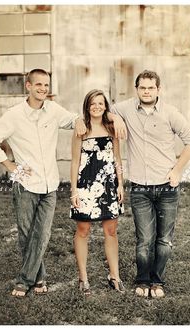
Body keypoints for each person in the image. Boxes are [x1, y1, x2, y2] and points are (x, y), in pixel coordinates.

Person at [0, 68, 88, 297]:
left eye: (46, 85)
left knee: (43, 234)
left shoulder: (52, 110)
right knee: (27, 234)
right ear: (28, 86)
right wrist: (11, 166)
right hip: (25, 184)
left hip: (49, 183)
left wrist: (79, 120)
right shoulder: (14, 115)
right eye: (38, 84)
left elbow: (72, 120)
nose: (43, 89)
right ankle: (38, 278)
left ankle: (24, 280)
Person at [111, 70, 190, 298]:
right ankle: (142, 279)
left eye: (151, 87)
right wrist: (117, 117)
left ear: (159, 89)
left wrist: (177, 170)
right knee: (144, 239)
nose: (146, 91)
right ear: (136, 89)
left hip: (167, 187)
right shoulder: (126, 108)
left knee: (164, 239)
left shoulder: (170, 113)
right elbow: (103, 109)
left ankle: (157, 282)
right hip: (140, 188)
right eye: (142, 87)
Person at [70, 89, 125, 296]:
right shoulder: (80, 130)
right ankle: (83, 278)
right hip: (85, 187)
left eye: (100, 103)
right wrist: (74, 191)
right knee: (83, 230)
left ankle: (114, 277)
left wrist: (121, 184)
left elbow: (118, 159)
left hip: (109, 185)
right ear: (87, 105)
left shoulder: (112, 129)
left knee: (111, 231)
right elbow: (75, 162)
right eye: (93, 103)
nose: (97, 107)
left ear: (105, 106)